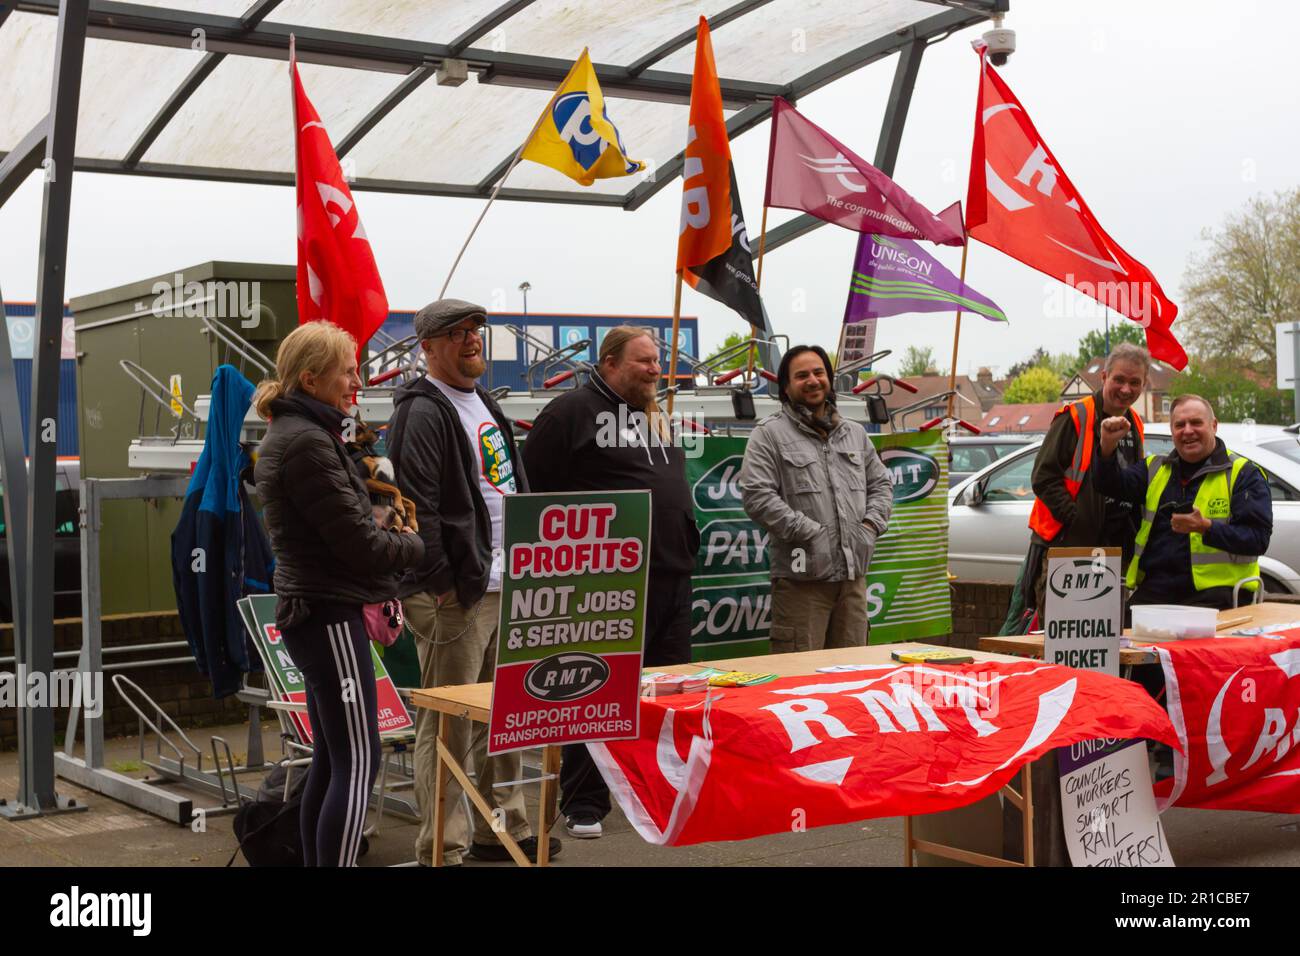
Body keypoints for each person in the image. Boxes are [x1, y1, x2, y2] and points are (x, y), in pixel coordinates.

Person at [387, 298, 559, 866]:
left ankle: (499, 828)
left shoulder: (482, 400)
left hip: (508, 581)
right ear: (428, 348)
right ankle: (444, 846)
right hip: (458, 592)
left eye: (476, 331)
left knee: (506, 713)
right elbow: (417, 504)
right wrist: (439, 579)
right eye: (456, 333)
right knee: (450, 721)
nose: (471, 341)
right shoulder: (423, 409)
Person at [253, 320, 424, 867]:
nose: (357, 379)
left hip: (321, 611)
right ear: (310, 378)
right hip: (327, 616)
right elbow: (362, 546)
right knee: (359, 757)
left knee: (331, 758)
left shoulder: (309, 432)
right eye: (347, 370)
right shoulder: (305, 441)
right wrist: (414, 543)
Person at [523, 326, 700, 840]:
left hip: (672, 574)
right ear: (609, 363)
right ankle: (584, 803)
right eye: (644, 361)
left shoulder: (655, 414)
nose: (654, 370)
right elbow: (533, 490)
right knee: (598, 689)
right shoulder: (569, 413)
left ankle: (656, 789)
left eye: (657, 361)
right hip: (608, 582)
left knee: (666, 691)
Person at [738, 344, 893, 652]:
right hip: (801, 584)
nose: (812, 380)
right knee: (799, 678)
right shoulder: (768, 434)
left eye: (819, 372)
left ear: (829, 378)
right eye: (802, 375)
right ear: (786, 386)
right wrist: (809, 532)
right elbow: (756, 495)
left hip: (852, 582)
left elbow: (882, 485)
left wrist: (869, 527)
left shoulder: (854, 434)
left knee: (852, 676)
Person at [1096, 393, 1272, 611]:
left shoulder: (1243, 474)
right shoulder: (1154, 468)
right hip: (1158, 591)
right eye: (1180, 425)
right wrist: (1107, 446)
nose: (1188, 430)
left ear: (1214, 426)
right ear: (1172, 431)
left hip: (1218, 595)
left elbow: (1257, 539)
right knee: (1119, 638)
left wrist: (1206, 528)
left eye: (1196, 423)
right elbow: (1108, 484)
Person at [1024, 343, 1150, 613]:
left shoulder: (1136, 423)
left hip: (1115, 552)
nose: (1126, 389)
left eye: (1134, 382)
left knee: (1104, 638)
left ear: (1143, 385)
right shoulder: (1075, 417)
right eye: (1119, 379)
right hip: (1069, 547)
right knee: (1064, 636)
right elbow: (1043, 477)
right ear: (1104, 377)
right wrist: (1075, 518)